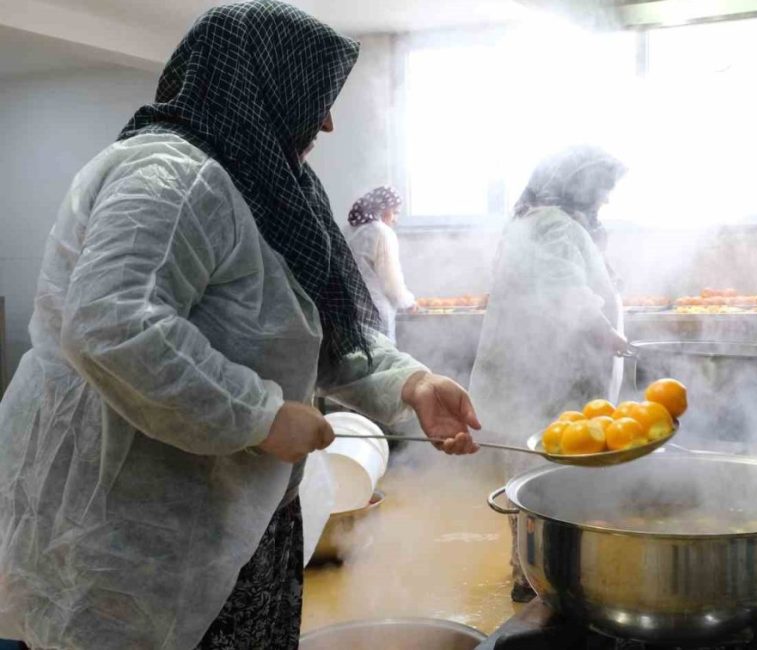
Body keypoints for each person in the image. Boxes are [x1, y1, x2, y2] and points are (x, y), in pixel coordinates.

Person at [0, 3, 480, 648]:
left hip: (237, 501)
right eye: (318, 96)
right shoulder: (168, 174)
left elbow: (308, 329)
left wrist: (409, 383)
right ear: (260, 82)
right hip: (133, 512)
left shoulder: (268, 183)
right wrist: (259, 415)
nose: (329, 121)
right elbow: (112, 323)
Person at [468, 146, 629, 602]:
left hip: (539, 377)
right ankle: (542, 579)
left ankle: (536, 571)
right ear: (575, 183)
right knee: (543, 476)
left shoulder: (534, 221)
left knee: (534, 471)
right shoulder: (553, 225)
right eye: (603, 186)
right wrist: (611, 337)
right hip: (546, 376)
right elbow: (567, 294)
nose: (606, 198)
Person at [343, 186, 417, 340]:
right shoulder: (382, 232)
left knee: (356, 360)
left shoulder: (348, 230)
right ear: (382, 208)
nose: (395, 219)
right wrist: (408, 302)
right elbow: (391, 279)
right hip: (374, 309)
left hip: (346, 309)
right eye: (395, 212)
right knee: (382, 359)